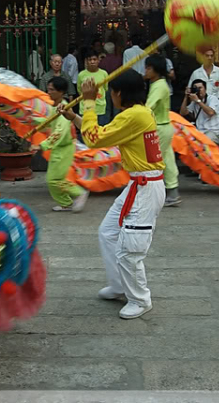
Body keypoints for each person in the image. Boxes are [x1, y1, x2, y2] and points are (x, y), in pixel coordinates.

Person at [58, 71, 164, 320]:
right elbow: (102, 131)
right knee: (108, 232)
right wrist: (74, 116)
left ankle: (140, 299)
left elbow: (94, 139)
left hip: (146, 188)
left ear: (119, 94)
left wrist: (88, 100)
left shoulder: (135, 115)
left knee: (130, 249)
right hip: (138, 184)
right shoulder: (136, 114)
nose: (110, 95)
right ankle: (119, 285)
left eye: (112, 92)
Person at [31, 76, 90, 212]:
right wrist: (32, 119)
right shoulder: (54, 107)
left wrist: (42, 145)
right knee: (53, 180)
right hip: (58, 148)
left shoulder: (63, 108)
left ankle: (78, 193)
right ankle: (66, 203)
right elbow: (48, 122)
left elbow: (59, 132)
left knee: (55, 179)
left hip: (64, 148)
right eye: (48, 89)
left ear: (61, 92)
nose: (48, 92)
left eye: (52, 89)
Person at [144, 54, 181, 207]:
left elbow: (148, 108)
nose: (145, 71)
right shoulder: (160, 84)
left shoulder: (158, 86)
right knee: (167, 160)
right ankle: (173, 193)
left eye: (148, 68)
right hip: (164, 127)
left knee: (153, 162)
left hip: (159, 128)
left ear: (156, 70)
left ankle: (152, 193)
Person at [180, 78, 219, 145]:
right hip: (200, 132)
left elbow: (211, 112)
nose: (198, 90)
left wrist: (198, 101)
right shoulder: (194, 102)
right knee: (185, 141)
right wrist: (186, 97)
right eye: (196, 88)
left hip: (214, 132)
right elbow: (183, 112)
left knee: (201, 144)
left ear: (205, 89)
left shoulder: (212, 99)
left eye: (200, 88)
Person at [77, 50, 110, 126]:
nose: (92, 62)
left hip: (100, 108)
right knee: (85, 132)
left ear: (98, 60)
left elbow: (105, 88)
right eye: (90, 60)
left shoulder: (104, 73)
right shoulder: (81, 75)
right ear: (86, 61)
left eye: (94, 59)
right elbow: (79, 90)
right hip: (85, 108)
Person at [101, 42, 124, 120]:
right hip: (117, 86)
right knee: (116, 107)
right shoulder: (119, 59)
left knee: (107, 108)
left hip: (106, 86)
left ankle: (107, 126)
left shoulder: (102, 61)